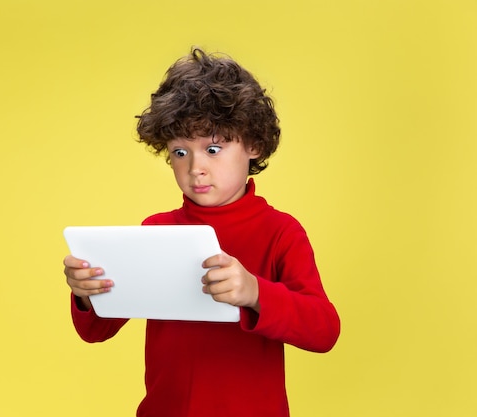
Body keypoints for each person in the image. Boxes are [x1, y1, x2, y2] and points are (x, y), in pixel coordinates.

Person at [64, 47, 340, 417]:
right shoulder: (156, 231)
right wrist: (85, 293)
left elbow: (324, 331)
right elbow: (96, 330)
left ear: (253, 145)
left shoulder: (281, 233)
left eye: (213, 148)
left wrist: (255, 292)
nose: (196, 168)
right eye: (180, 152)